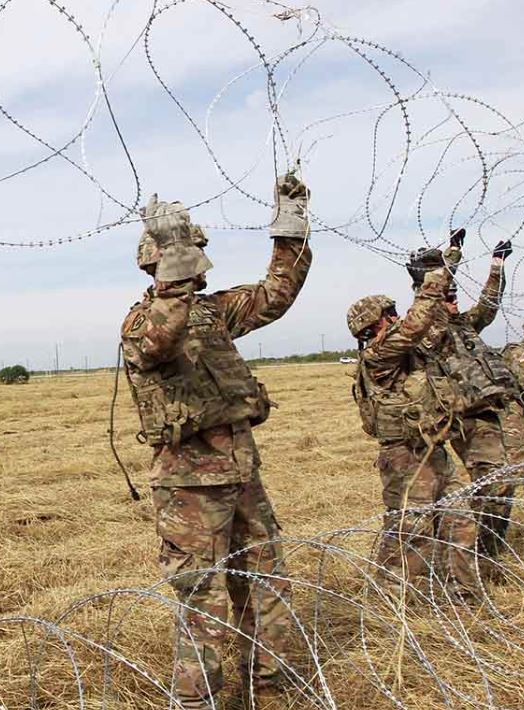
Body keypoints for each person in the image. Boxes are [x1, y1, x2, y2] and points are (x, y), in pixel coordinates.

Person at [121, 172, 311, 708]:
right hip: (190, 486)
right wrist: (174, 261)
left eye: (197, 251)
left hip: (242, 473)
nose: (200, 261)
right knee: (202, 600)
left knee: (267, 584)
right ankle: (197, 701)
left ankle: (267, 688)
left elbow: (277, 293)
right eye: (188, 253)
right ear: (159, 262)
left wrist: (291, 221)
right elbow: (161, 338)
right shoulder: (141, 322)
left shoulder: (216, 312)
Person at [346, 240, 477, 599]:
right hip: (405, 457)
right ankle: (393, 601)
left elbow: (433, 321)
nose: (397, 317)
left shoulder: (407, 350)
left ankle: (461, 594)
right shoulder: (380, 354)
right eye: (390, 314)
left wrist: (440, 274)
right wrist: (438, 271)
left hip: (431, 449)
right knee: (412, 531)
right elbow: (417, 323)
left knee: (461, 520)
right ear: (376, 325)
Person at [416, 239, 524, 560]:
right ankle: (479, 553)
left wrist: (497, 265)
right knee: (491, 485)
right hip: (468, 420)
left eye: (455, 298)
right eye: (448, 297)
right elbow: (432, 289)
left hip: (496, 413)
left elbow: (489, 303)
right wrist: (452, 255)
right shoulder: (429, 332)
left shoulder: (465, 324)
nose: (454, 301)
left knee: (503, 486)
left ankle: (488, 548)